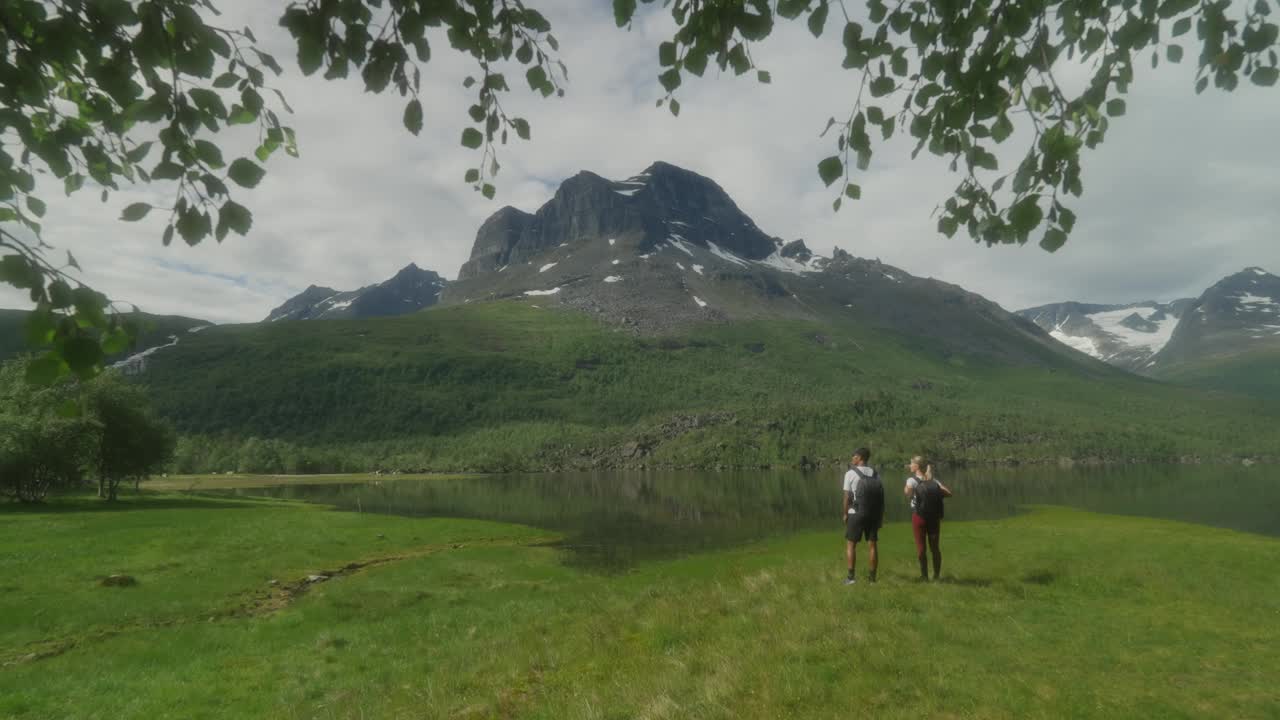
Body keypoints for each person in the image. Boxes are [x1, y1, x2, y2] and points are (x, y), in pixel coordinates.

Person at [904, 455, 952, 581]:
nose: (910, 465)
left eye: (911, 463)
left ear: (917, 466)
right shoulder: (934, 481)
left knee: (921, 548)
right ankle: (936, 575)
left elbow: (907, 494)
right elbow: (948, 493)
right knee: (935, 547)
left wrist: (911, 489)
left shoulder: (911, 480)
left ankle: (924, 576)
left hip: (918, 517)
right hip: (934, 518)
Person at [842, 447, 884, 585]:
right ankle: (872, 580)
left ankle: (851, 578)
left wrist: (845, 513)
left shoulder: (850, 473)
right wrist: (880, 516)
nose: (852, 458)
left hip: (856, 513)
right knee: (872, 545)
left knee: (851, 545)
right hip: (873, 514)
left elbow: (847, 497)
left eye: (853, 456)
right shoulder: (876, 474)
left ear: (859, 457)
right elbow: (881, 496)